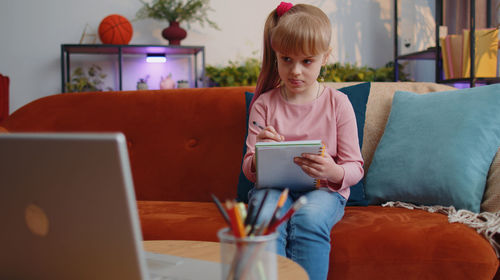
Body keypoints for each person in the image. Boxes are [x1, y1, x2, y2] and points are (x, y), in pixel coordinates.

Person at [242, 2, 364, 279]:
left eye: (307, 61)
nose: (296, 71)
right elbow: (249, 169)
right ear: (276, 57)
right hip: (273, 190)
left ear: (325, 57)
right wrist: (260, 156)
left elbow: (355, 166)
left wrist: (333, 171)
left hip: (323, 192)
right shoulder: (264, 105)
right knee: (264, 219)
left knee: (309, 218)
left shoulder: (338, 104)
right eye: (287, 59)